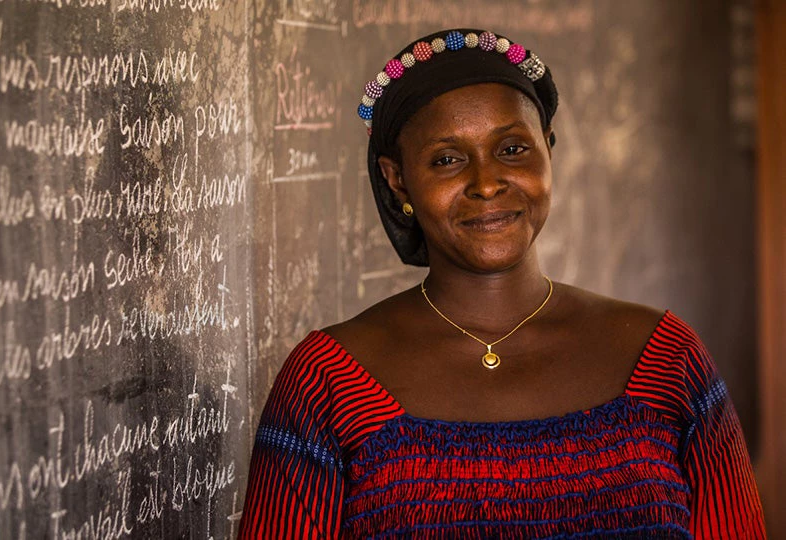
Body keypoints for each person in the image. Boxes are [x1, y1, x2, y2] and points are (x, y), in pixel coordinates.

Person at [238, 29, 766, 539]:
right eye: (447, 159)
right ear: (398, 179)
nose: (487, 183)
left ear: (549, 150)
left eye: (513, 149)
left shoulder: (667, 361)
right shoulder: (329, 382)